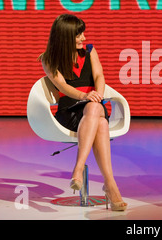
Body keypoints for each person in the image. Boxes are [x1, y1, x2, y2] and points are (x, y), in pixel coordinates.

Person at [39, 14, 127, 211]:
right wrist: (83, 96)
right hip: (69, 111)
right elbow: (61, 84)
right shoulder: (49, 59)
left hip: (93, 104)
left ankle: (78, 169)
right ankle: (110, 185)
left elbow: (99, 75)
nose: (84, 38)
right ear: (65, 36)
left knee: (96, 110)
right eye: (79, 35)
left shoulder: (89, 50)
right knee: (102, 123)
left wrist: (98, 95)